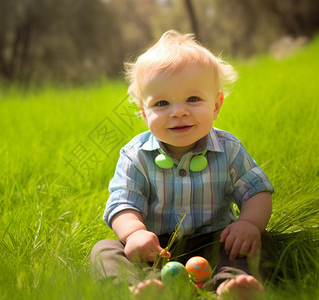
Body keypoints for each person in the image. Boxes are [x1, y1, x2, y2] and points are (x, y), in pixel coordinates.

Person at [91, 30, 275, 299]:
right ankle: (136, 289)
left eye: (193, 99)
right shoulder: (135, 155)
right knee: (104, 249)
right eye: (162, 103)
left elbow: (257, 191)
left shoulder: (228, 148)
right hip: (155, 249)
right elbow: (122, 203)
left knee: (261, 239)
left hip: (218, 242)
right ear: (144, 112)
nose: (178, 111)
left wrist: (249, 223)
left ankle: (231, 282)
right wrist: (133, 234)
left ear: (216, 105)